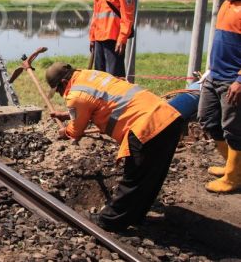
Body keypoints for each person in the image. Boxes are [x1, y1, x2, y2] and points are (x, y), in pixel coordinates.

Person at [45, 62, 183, 232]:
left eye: (58, 90)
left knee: (134, 179)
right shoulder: (90, 75)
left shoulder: (75, 95)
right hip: (168, 117)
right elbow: (102, 101)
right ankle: (136, 215)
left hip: (145, 127)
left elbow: (75, 131)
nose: (60, 94)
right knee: (151, 177)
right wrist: (67, 114)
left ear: (63, 83)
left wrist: (64, 131)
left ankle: (108, 221)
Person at [198, 0, 241, 194]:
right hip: (215, 75)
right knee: (207, 119)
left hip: (233, 80)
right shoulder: (228, 2)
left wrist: (240, 80)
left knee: (233, 129)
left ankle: (234, 177)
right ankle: (231, 166)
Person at [88, 0, 136, 77]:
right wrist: (92, 37)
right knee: (99, 76)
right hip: (99, 37)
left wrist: (122, 38)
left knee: (114, 78)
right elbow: (96, 15)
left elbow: (127, 16)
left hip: (114, 38)